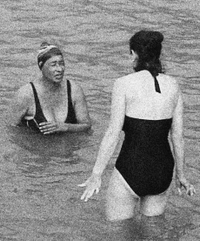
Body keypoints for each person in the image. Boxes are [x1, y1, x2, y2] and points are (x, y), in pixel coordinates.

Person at [80, 29, 194, 221]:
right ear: (158, 54)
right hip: (163, 171)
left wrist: (96, 174)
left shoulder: (123, 84)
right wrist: (181, 175)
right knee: (153, 232)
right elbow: (178, 137)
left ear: (134, 54)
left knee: (117, 230)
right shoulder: (173, 85)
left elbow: (113, 133)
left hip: (131, 168)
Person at [12, 40, 88, 135]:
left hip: (68, 144)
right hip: (36, 144)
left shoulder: (74, 90)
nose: (59, 69)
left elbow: (86, 125)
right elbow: (11, 129)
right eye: (53, 65)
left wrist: (66, 127)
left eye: (61, 63)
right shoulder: (25, 94)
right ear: (41, 65)